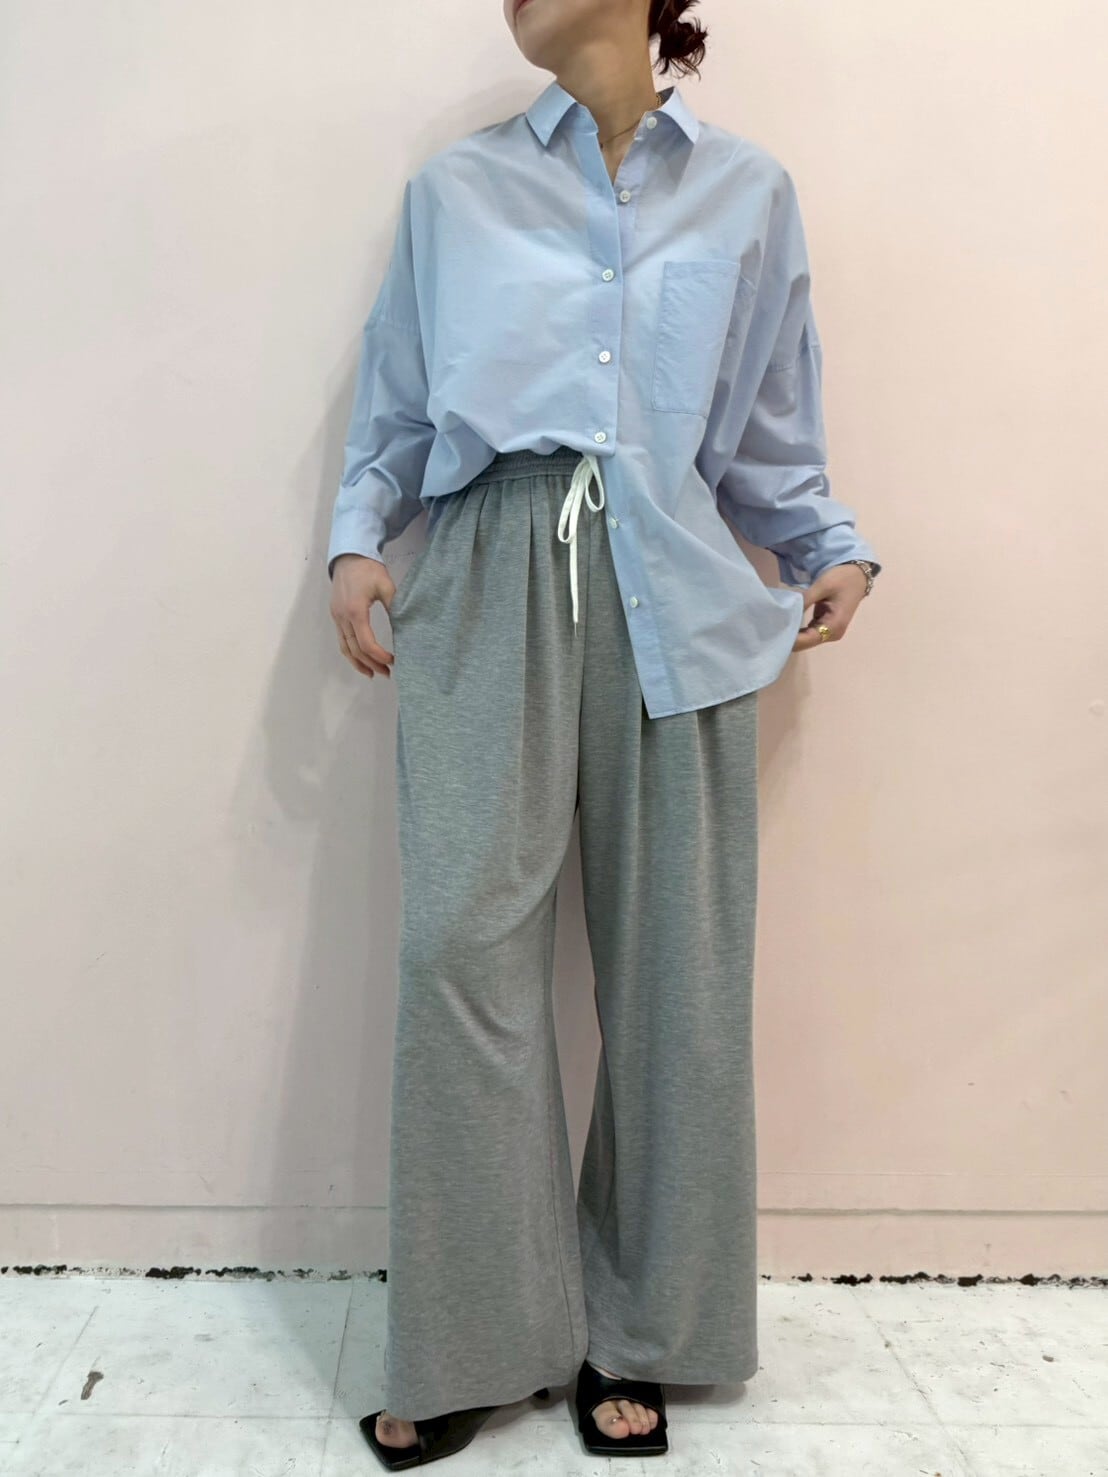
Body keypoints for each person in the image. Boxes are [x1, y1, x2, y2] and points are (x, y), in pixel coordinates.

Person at [327, 0, 882, 1467]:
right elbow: (399, 400)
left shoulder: (747, 191)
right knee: (457, 949)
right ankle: (473, 1336)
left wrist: (826, 542)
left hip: (675, 587)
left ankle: (642, 1330)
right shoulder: (456, 190)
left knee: (677, 973)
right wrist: (359, 538)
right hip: (490, 563)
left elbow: (765, 422)